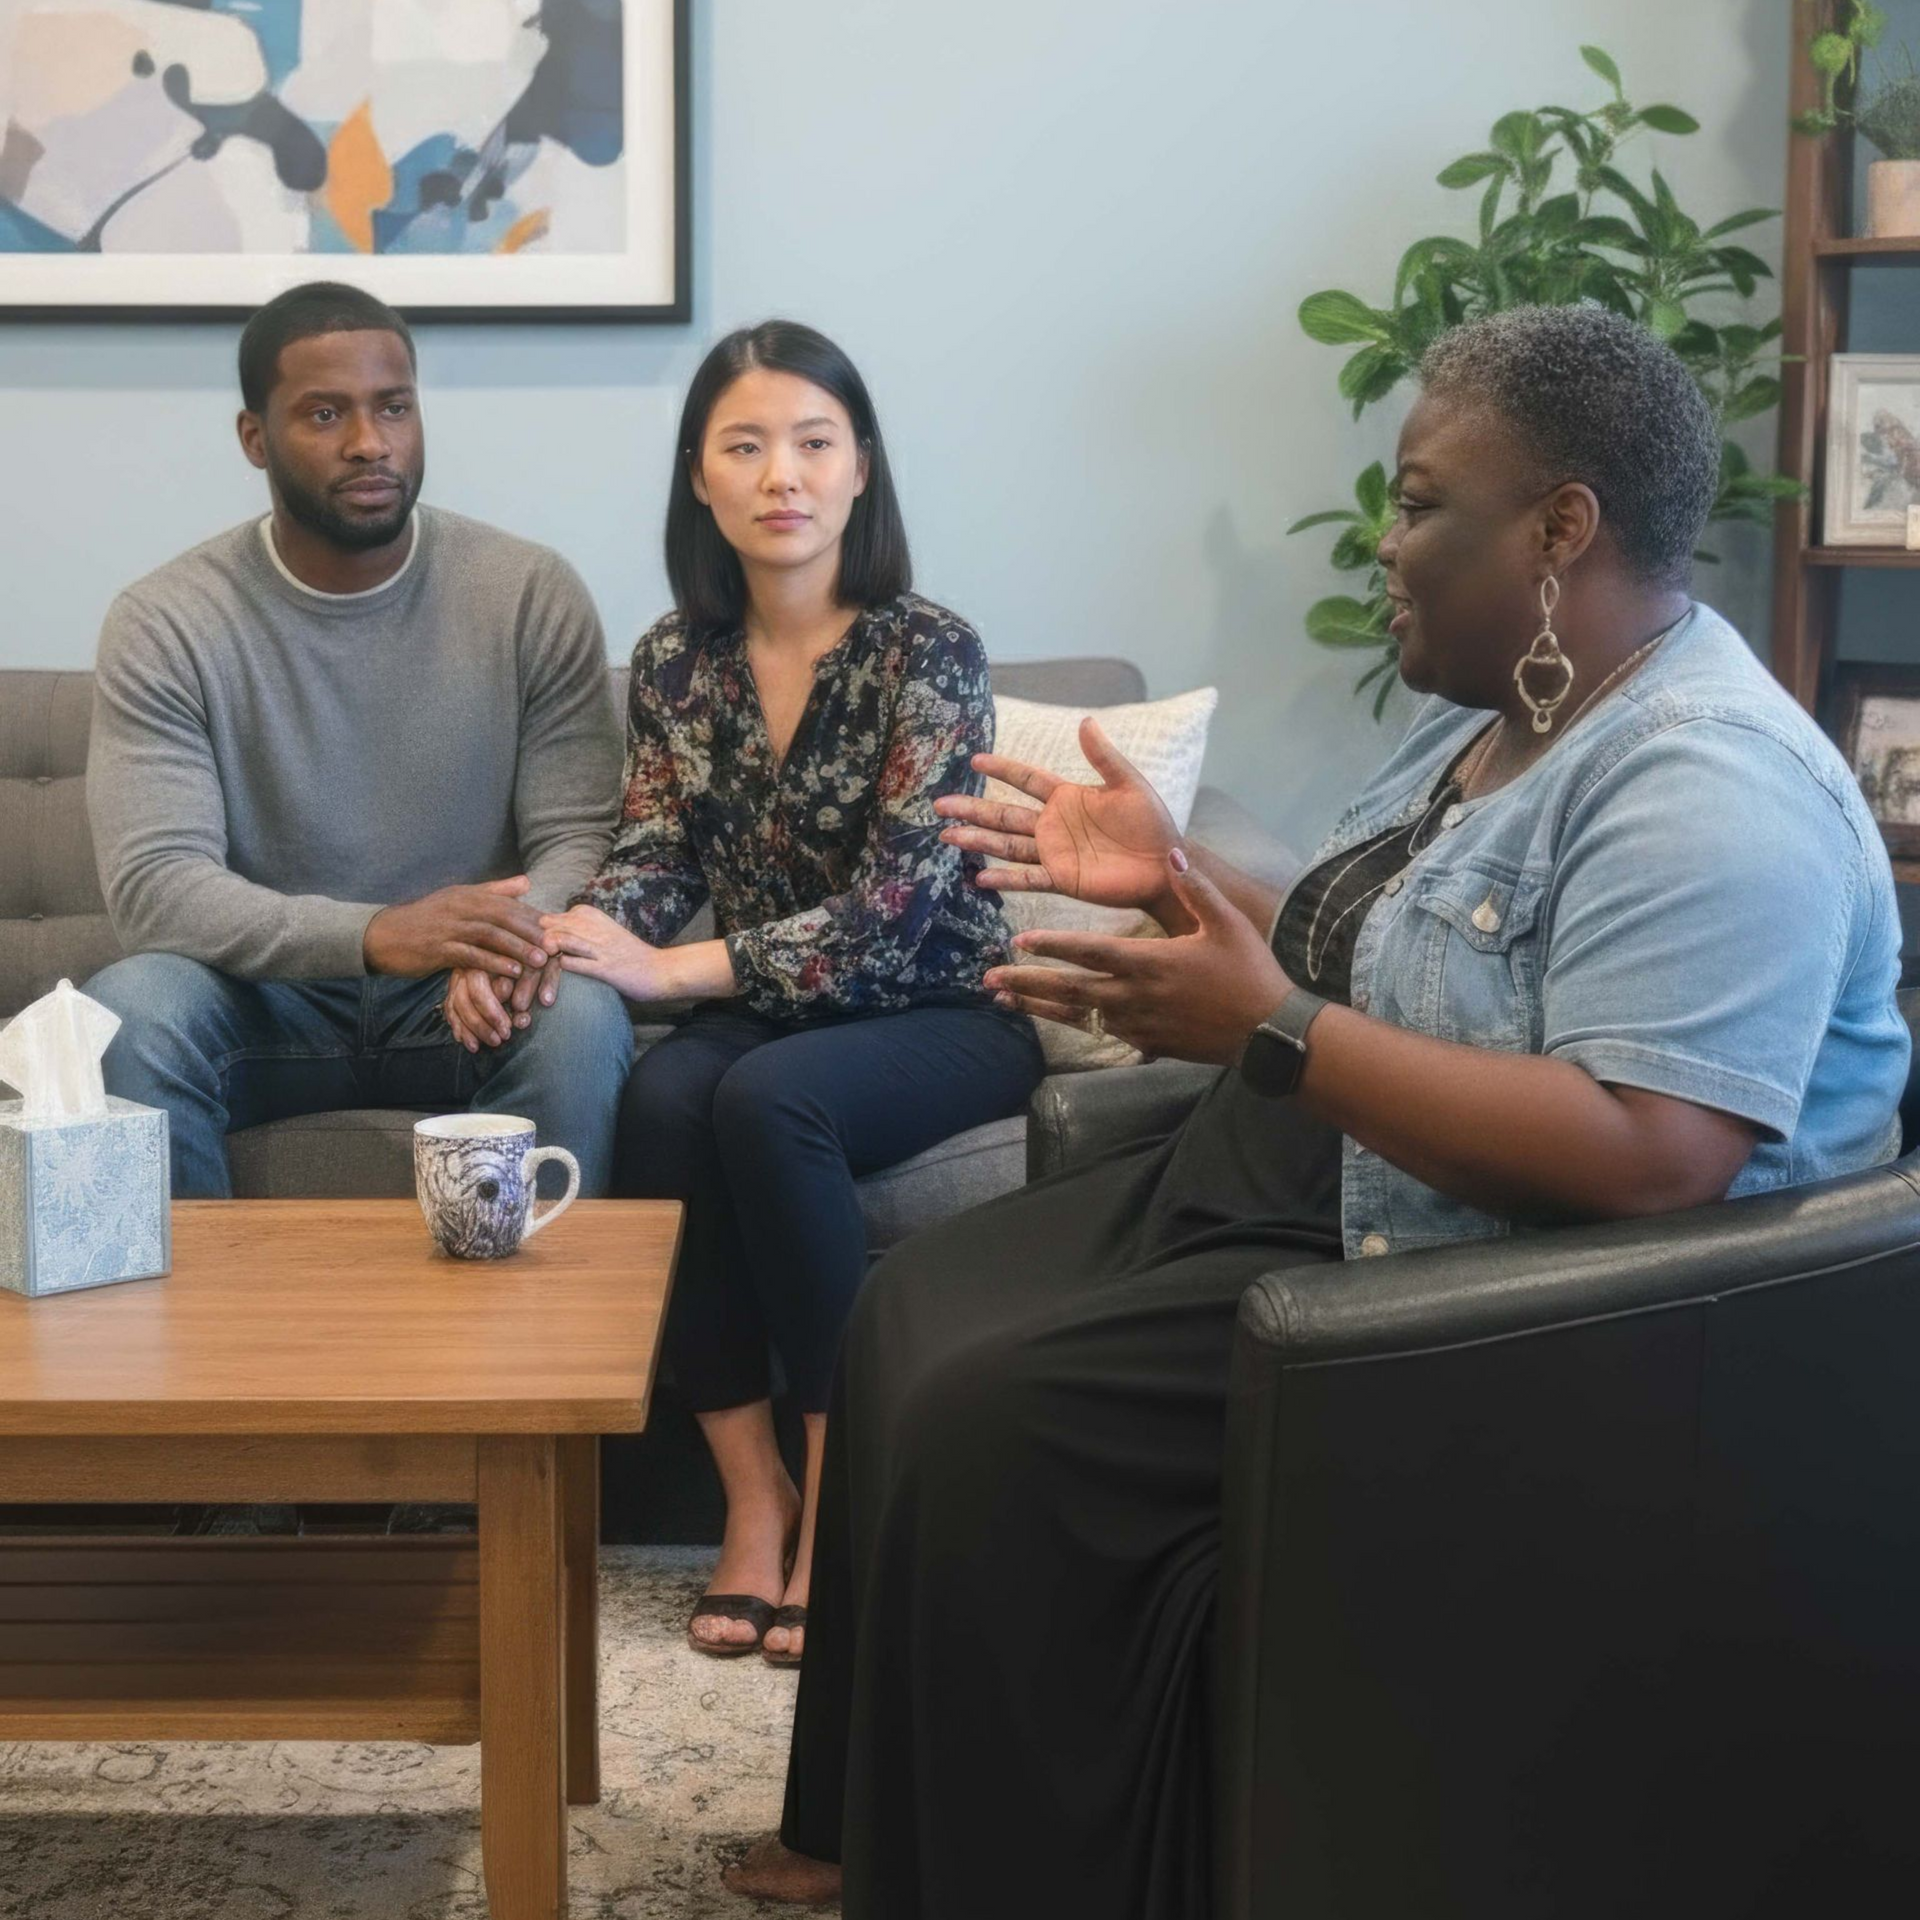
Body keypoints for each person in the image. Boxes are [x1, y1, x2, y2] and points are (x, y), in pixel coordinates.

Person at [725, 303, 1911, 1914]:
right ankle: (869, 1829)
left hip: (1475, 1290)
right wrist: (1173, 876)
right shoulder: (1513, 709)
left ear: (1562, 529)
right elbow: (1379, 929)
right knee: (908, 1312)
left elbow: (1655, 1160)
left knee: (988, 1419)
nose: (1387, 537)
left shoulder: (1711, 783)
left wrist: (1271, 1032)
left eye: (1422, 503)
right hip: (1315, 1176)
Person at [538, 321, 1044, 1666]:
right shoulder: (671, 661)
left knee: (762, 1102)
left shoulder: (930, 652)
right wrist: (574, 939)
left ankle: (839, 1507)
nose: (784, 475)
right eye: (745, 446)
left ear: (861, 469)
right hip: (768, 1007)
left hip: (941, 1008)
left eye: (814, 443)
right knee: (659, 1101)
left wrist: (678, 968)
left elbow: (892, 919)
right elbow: (653, 851)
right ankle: (750, 1501)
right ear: (700, 481)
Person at [85, 280, 631, 1199]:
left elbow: (581, 833)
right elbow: (157, 892)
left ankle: (552, 1335)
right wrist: (381, 933)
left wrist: (509, 943)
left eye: (394, 408)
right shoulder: (167, 621)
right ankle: (182, 1337)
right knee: (130, 1014)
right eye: (325, 413)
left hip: (469, 1001)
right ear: (254, 438)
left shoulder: (527, 591)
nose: (369, 442)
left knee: (579, 1012)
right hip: (265, 1003)